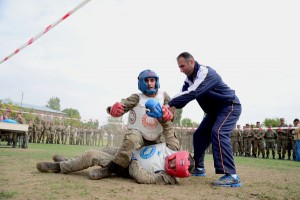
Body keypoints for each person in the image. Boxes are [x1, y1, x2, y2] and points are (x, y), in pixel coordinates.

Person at [165, 52, 242, 187]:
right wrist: (170, 108)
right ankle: (199, 167)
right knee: (199, 135)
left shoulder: (206, 73)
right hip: (214, 112)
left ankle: (232, 175)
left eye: (182, 66)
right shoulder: (189, 79)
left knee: (218, 132)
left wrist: (170, 103)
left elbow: (194, 92)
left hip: (229, 106)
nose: (180, 70)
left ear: (192, 62)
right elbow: (183, 96)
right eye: (179, 67)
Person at [91, 69, 179, 180]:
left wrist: (170, 114)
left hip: (156, 138)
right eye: (147, 80)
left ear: (157, 82)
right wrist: (112, 109)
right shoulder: (137, 97)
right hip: (139, 135)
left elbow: (172, 111)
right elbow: (122, 106)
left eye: (152, 80)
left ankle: (155, 175)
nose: (150, 83)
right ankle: (109, 169)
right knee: (131, 139)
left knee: (160, 158)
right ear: (141, 82)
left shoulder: (164, 96)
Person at [36, 143, 194, 185]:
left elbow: (142, 177)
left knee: (92, 155)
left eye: (174, 168)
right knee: (104, 149)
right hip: (130, 152)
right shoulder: (171, 147)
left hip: (127, 165)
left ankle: (59, 167)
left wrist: (131, 161)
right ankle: (68, 162)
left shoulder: (167, 178)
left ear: (177, 174)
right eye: (173, 161)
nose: (171, 164)